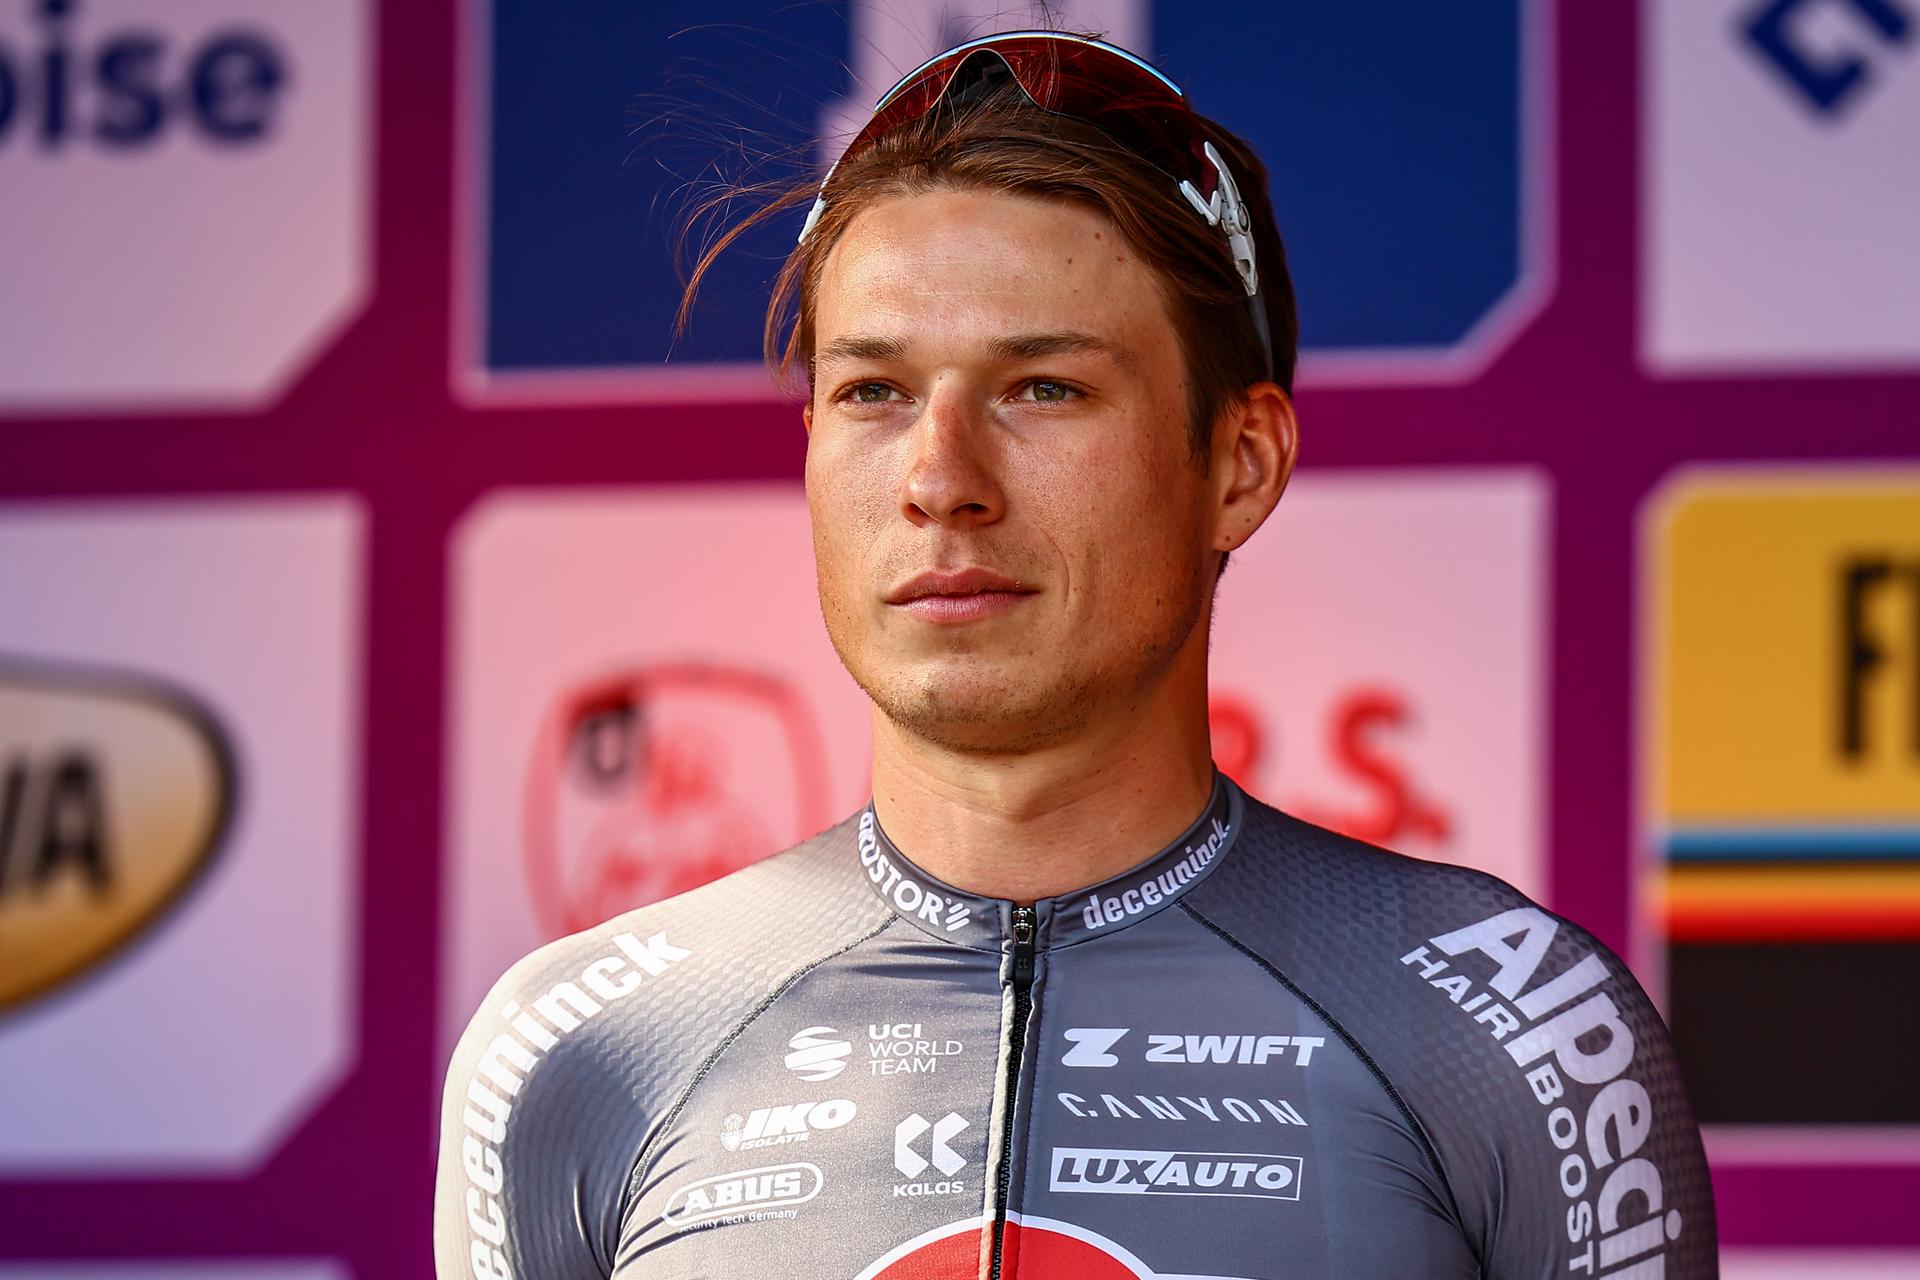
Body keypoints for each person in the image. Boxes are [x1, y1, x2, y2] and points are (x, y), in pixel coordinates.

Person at [435, 30, 1717, 1279]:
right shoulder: (579, 1052)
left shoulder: (1521, 1037)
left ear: (1241, 464)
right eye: (872, 392)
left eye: (1043, 386)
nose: (940, 479)